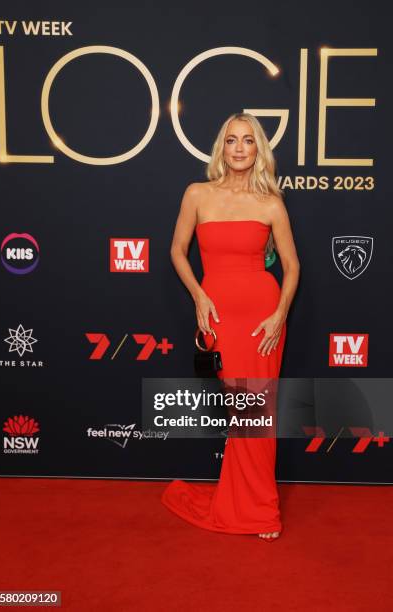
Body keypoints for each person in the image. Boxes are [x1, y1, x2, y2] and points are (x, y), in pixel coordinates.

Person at [161, 112, 300, 541]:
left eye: (248, 141)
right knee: (244, 412)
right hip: (219, 315)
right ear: (221, 148)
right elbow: (177, 251)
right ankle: (244, 502)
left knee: (255, 415)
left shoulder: (271, 202)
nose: (239, 148)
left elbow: (292, 268)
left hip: (262, 318)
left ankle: (260, 510)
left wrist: (279, 315)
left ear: (259, 149)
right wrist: (199, 295)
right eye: (231, 141)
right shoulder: (197, 194)